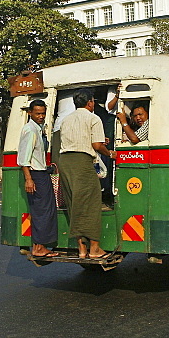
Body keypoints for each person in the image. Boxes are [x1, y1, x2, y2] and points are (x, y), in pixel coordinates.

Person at [58, 90, 111, 259]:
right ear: (89, 103)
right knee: (92, 203)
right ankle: (94, 249)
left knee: (74, 203)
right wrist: (109, 153)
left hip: (65, 162)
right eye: (93, 101)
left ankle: (81, 249)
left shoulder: (66, 120)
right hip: (82, 162)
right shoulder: (93, 118)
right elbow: (96, 145)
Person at [17, 99, 58, 258]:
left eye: (43, 113)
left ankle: (39, 245)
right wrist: (29, 179)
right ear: (30, 113)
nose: (41, 116)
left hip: (41, 173)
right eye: (37, 113)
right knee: (42, 211)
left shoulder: (38, 129)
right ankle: (39, 247)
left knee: (44, 210)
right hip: (36, 175)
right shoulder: (30, 130)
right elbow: (24, 159)